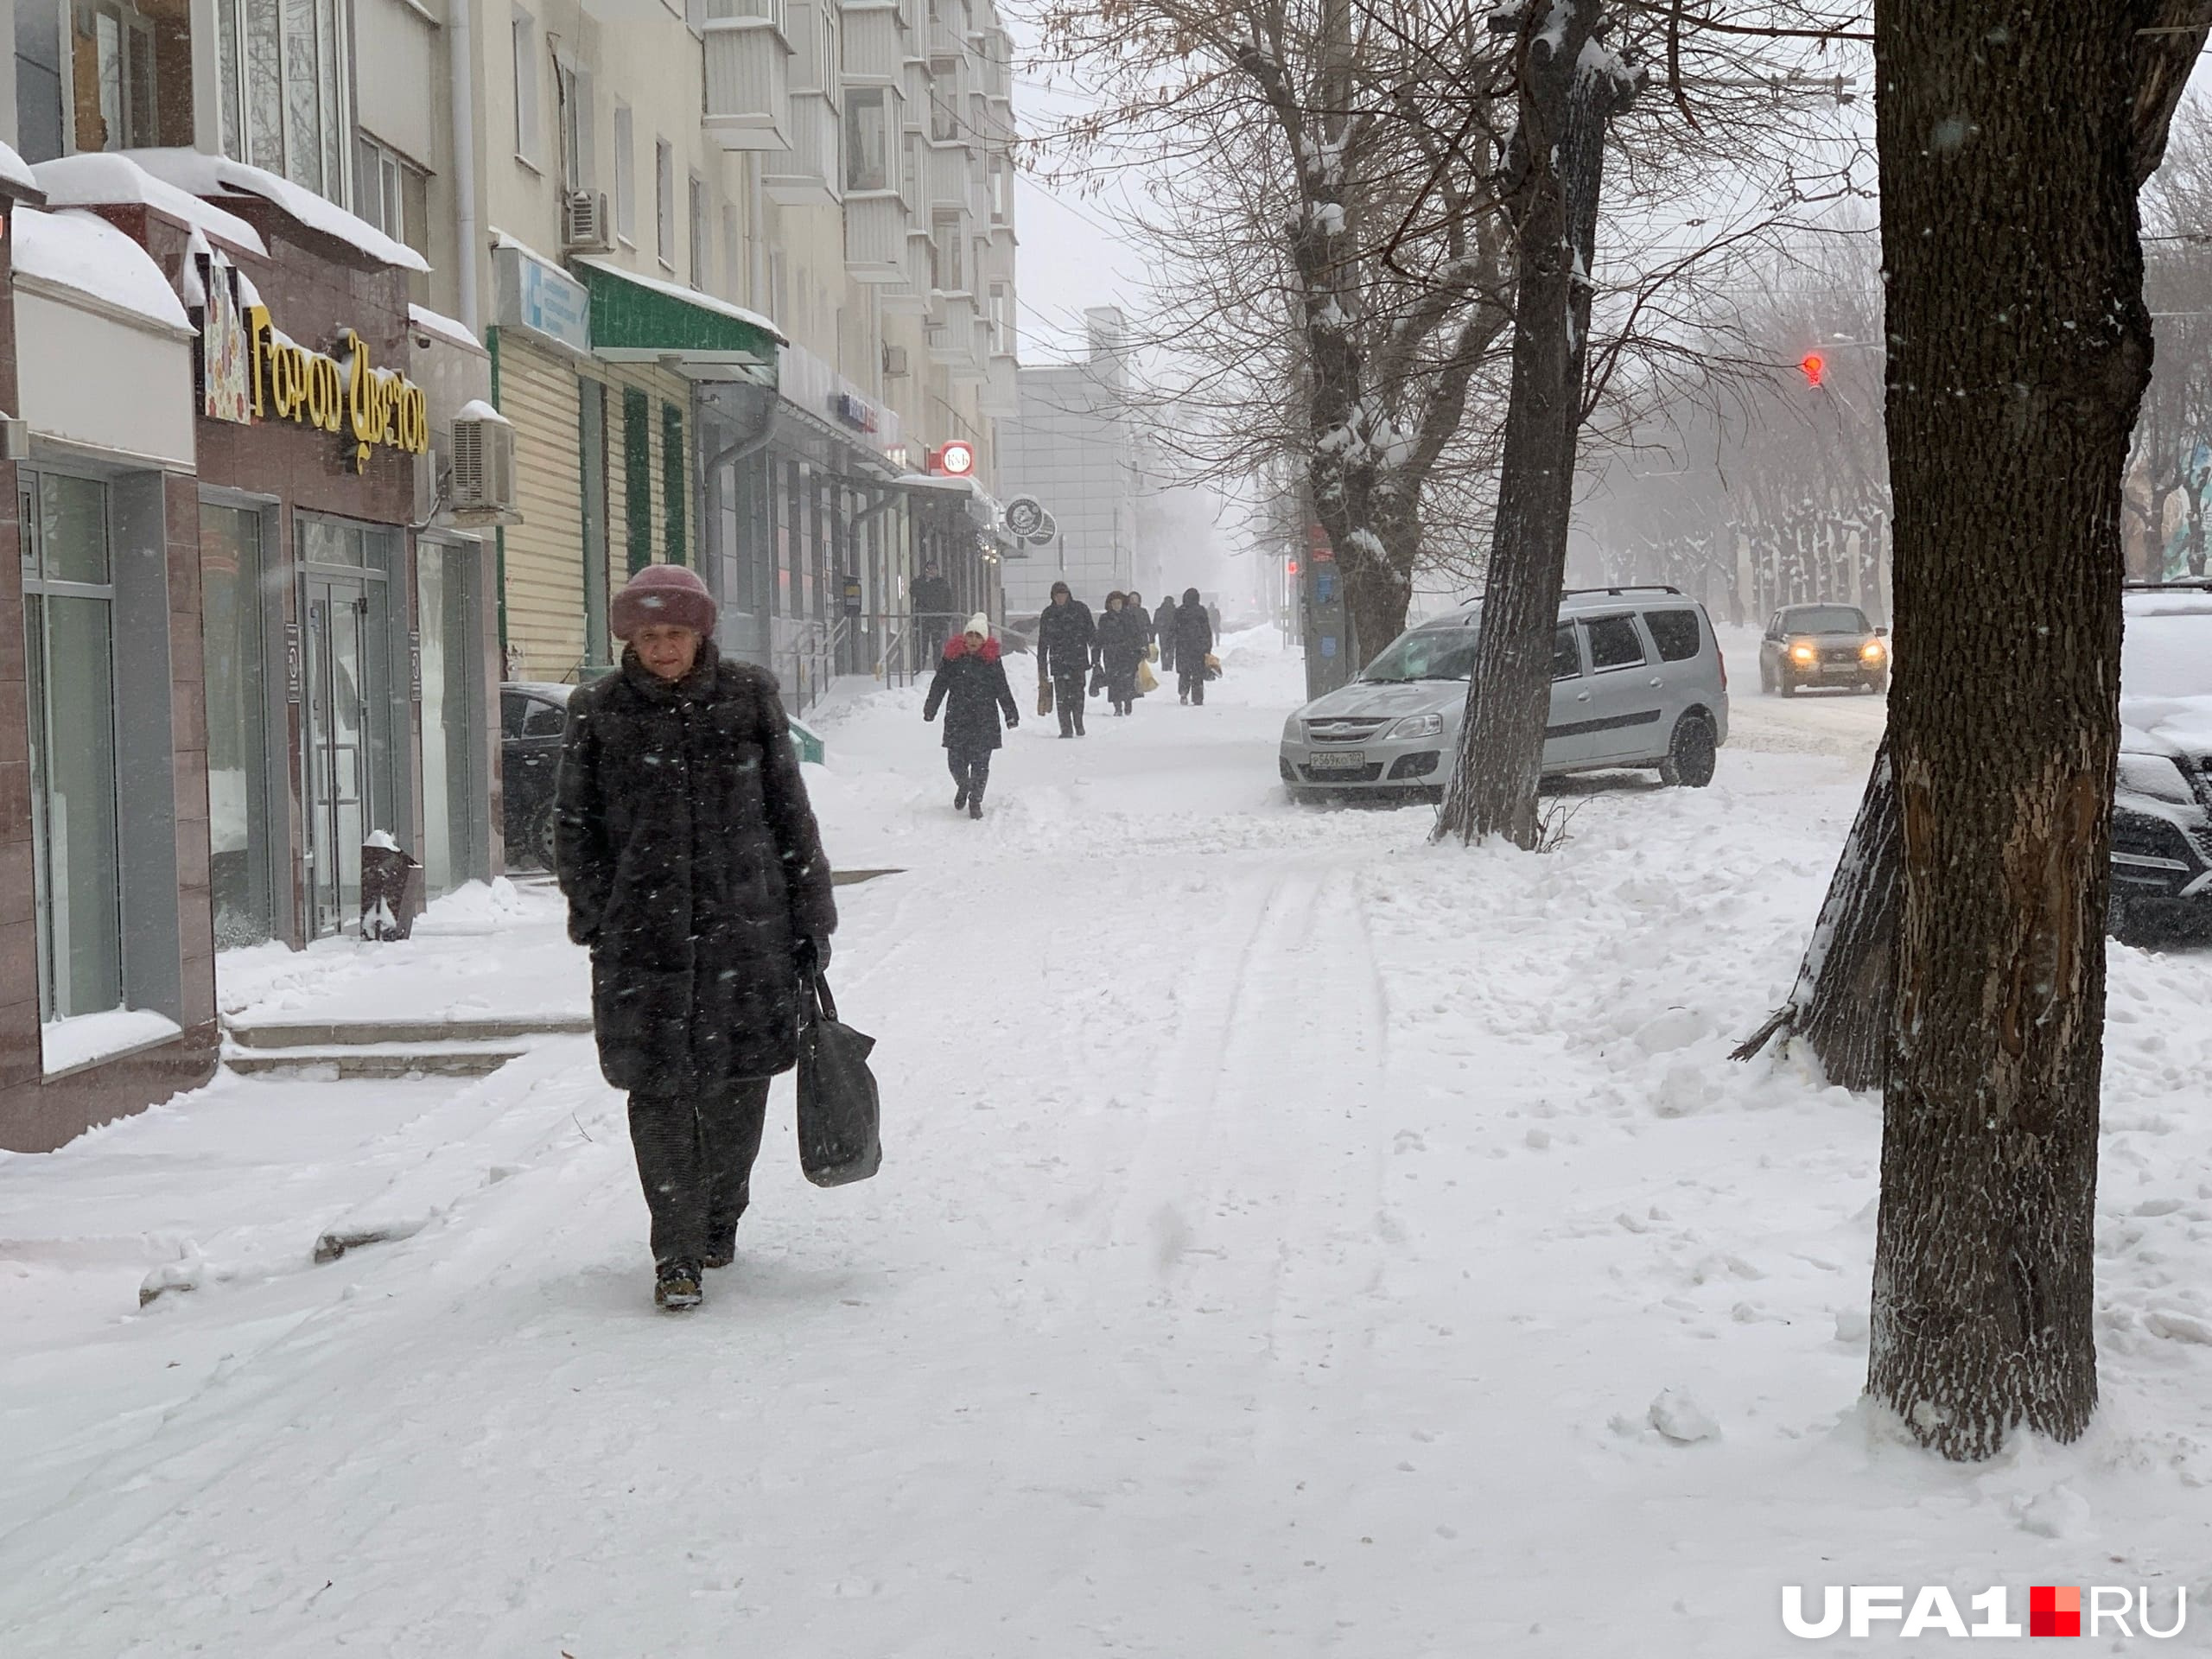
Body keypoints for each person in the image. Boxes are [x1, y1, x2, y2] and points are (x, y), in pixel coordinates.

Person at [555, 564, 837, 1313]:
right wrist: (597, 911)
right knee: (658, 1092)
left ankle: (721, 1214)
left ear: (700, 633)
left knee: (740, 1088)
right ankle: (674, 1250)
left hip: (747, 934)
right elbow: (575, 825)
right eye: (649, 636)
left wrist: (810, 917)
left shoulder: (747, 699)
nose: (662, 649)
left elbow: (789, 810)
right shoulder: (600, 711)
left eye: (675, 634)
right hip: (641, 943)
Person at [925, 613, 1020, 817]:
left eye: (978, 636)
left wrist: (1010, 714)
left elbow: (1002, 688)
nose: (973, 640)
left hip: (984, 720)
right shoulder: (952, 659)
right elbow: (939, 685)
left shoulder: (992, 662)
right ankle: (964, 785)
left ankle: (975, 800)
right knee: (955, 763)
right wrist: (930, 708)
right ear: (964, 637)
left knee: (981, 765)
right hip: (957, 718)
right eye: (970, 635)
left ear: (984, 639)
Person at [1035, 580, 1096, 738]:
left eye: (1063, 595)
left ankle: (1078, 722)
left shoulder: (1080, 609)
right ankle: (1066, 728)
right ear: (1053, 597)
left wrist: (1095, 655)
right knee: (1061, 697)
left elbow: (1091, 633)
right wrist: (1042, 666)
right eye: (1057, 595)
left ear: (1068, 595)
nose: (1060, 598)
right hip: (1058, 661)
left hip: (1078, 660)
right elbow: (1043, 642)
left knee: (1078, 694)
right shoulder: (1048, 614)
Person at [1097, 591, 1145, 715]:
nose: (1117, 605)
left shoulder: (1129, 617)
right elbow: (1100, 637)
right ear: (1110, 604)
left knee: (1127, 680)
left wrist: (1138, 650)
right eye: (1114, 603)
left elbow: (1136, 635)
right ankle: (1117, 706)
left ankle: (1128, 701)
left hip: (1128, 655)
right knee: (1113, 682)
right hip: (1111, 655)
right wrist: (1097, 654)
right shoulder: (1105, 619)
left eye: (1119, 603)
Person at [1173, 586, 1215, 706]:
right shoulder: (1201, 611)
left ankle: (1183, 692)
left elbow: (1174, 628)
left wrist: (1174, 642)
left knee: (1184, 673)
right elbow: (1206, 630)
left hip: (1183, 647)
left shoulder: (1180, 611)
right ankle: (1198, 697)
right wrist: (1207, 646)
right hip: (1198, 648)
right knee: (1198, 674)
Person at [912, 563, 957, 660]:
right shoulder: (921, 582)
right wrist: (924, 580)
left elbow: (948, 599)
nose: (931, 572)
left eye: (934, 569)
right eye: (929, 569)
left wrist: (947, 616)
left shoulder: (942, 583)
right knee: (921, 646)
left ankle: (938, 666)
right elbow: (913, 591)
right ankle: (919, 667)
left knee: (938, 647)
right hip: (923, 619)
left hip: (938, 619)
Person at [1154, 593, 1180, 676]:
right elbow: (1178, 623)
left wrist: (1155, 632)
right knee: (1171, 650)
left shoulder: (1159, 610)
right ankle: (1169, 665)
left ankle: (1164, 665)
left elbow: (1156, 622)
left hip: (1163, 633)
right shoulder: (1176, 611)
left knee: (1164, 650)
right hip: (1172, 633)